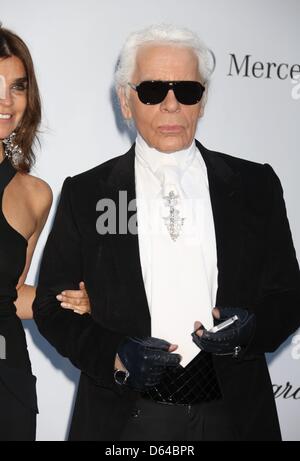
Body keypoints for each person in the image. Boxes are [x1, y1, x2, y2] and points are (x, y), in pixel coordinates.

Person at [33, 24, 300, 441]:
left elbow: (288, 295)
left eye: (187, 91)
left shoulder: (254, 185)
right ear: (125, 100)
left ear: (203, 100)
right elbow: (51, 308)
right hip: (125, 419)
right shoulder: (86, 193)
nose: (172, 105)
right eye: (153, 91)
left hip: (237, 416)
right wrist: (116, 356)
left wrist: (253, 330)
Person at [0, 26, 91, 441]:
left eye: (17, 87)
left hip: (8, 376)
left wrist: (81, 300)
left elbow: (12, 295)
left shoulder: (34, 194)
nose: (7, 101)